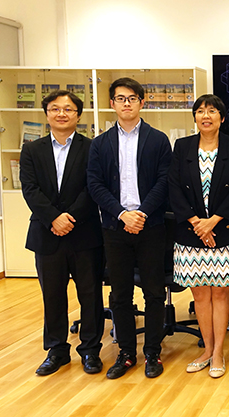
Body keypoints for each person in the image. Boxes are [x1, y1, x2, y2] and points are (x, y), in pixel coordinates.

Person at [87, 77, 172, 379]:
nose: (127, 103)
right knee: (120, 294)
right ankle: (125, 353)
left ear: (141, 102)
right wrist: (123, 214)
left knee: (154, 292)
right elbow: (95, 184)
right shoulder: (100, 144)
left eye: (132, 98)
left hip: (151, 226)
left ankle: (153, 352)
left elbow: (164, 181)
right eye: (121, 98)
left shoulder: (158, 139)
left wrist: (142, 213)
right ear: (112, 103)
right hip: (115, 227)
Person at [20, 90, 104, 376]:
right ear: (47, 114)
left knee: (90, 295)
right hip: (47, 234)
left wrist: (69, 218)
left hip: (84, 233)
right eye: (55, 109)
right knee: (53, 296)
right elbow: (30, 189)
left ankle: (90, 350)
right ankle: (56, 350)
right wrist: (53, 218)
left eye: (68, 109)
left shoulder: (92, 148)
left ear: (78, 115)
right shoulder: (32, 150)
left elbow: (93, 187)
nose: (61, 114)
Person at [168, 94, 229, 378]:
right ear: (194, 117)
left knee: (220, 292)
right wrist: (196, 223)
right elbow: (173, 187)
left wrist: (212, 222)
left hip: (223, 231)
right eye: (200, 111)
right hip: (190, 234)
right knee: (200, 294)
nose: (206, 116)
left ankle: (218, 352)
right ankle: (206, 349)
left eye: (212, 111)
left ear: (222, 118)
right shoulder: (182, 146)